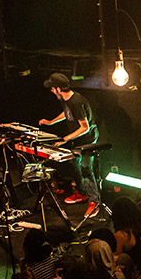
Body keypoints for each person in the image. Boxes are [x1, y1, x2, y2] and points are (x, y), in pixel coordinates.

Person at [39, 72, 101, 219]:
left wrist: (65, 139)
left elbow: (84, 127)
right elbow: (67, 113)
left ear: (59, 89)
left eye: (53, 89)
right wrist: (50, 121)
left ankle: (94, 202)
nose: (52, 91)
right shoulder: (66, 100)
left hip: (88, 140)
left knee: (86, 168)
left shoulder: (77, 101)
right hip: (77, 139)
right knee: (74, 164)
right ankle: (82, 192)